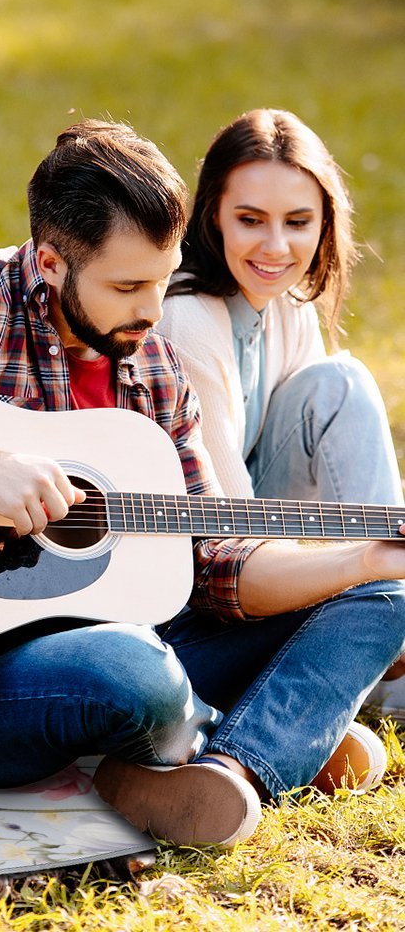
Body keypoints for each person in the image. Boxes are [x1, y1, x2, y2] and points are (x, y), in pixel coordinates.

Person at [0, 119, 405, 848]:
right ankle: (263, 728)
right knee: (134, 673)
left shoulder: (153, 368)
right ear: (51, 262)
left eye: (162, 278)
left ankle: (235, 768)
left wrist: (362, 560)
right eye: (127, 286)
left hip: (129, 640)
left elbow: (214, 561)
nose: (153, 312)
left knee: (385, 596)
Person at [158, 108, 405, 728]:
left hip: (266, 534)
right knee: (342, 382)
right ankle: (381, 636)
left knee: (337, 383)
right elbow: (228, 535)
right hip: (202, 573)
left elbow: (328, 454)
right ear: (212, 213)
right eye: (250, 220)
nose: (277, 247)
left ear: (325, 224)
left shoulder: (286, 302)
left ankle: (385, 624)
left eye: (298, 222)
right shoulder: (188, 319)